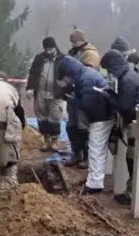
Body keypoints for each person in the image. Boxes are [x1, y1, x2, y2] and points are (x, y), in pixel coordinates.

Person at [57, 56, 113, 195]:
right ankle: (93, 179)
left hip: (100, 117)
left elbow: (88, 105)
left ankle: (94, 185)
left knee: (95, 150)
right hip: (101, 114)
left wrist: (72, 100)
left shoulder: (86, 79)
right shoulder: (84, 74)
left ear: (69, 73)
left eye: (65, 77)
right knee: (96, 149)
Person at [99, 49, 139, 205]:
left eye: (108, 69)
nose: (108, 73)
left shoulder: (127, 80)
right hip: (135, 120)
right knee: (130, 158)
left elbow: (125, 107)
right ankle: (130, 189)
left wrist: (108, 98)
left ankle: (133, 193)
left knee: (133, 159)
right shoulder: (126, 76)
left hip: (137, 122)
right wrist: (112, 95)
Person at [64, 29, 101, 169]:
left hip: (84, 94)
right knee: (71, 126)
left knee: (83, 127)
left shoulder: (90, 54)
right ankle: (76, 153)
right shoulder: (74, 52)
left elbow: (87, 74)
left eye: (74, 41)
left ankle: (86, 156)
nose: (72, 44)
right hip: (72, 94)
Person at [25, 36, 67, 152]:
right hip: (40, 93)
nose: (48, 52)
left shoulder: (63, 59)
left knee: (55, 117)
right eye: (46, 49)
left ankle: (54, 142)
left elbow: (68, 77)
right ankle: (45, 140)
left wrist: (64, 87)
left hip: (56, 94)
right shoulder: (39, 58)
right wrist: (29, 88)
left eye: (50, 49)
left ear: (55, 47)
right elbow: (32, 73)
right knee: (41, 117)